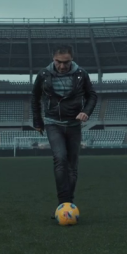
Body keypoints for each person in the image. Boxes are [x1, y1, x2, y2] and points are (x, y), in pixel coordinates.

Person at [31, 44, 97, 215]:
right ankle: (63, 204)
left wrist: (85, 112)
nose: (62, 66)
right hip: (53, 123)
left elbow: (92, 95)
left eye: (66, 62)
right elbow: (35, 97)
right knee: (60, 159)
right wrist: (37, 121)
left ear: (72, 60)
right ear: (53, 59)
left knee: (72, 166)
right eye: (58, 62)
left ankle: (69, 202)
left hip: (74, 124)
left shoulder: (81, 74)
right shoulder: (44, 74)